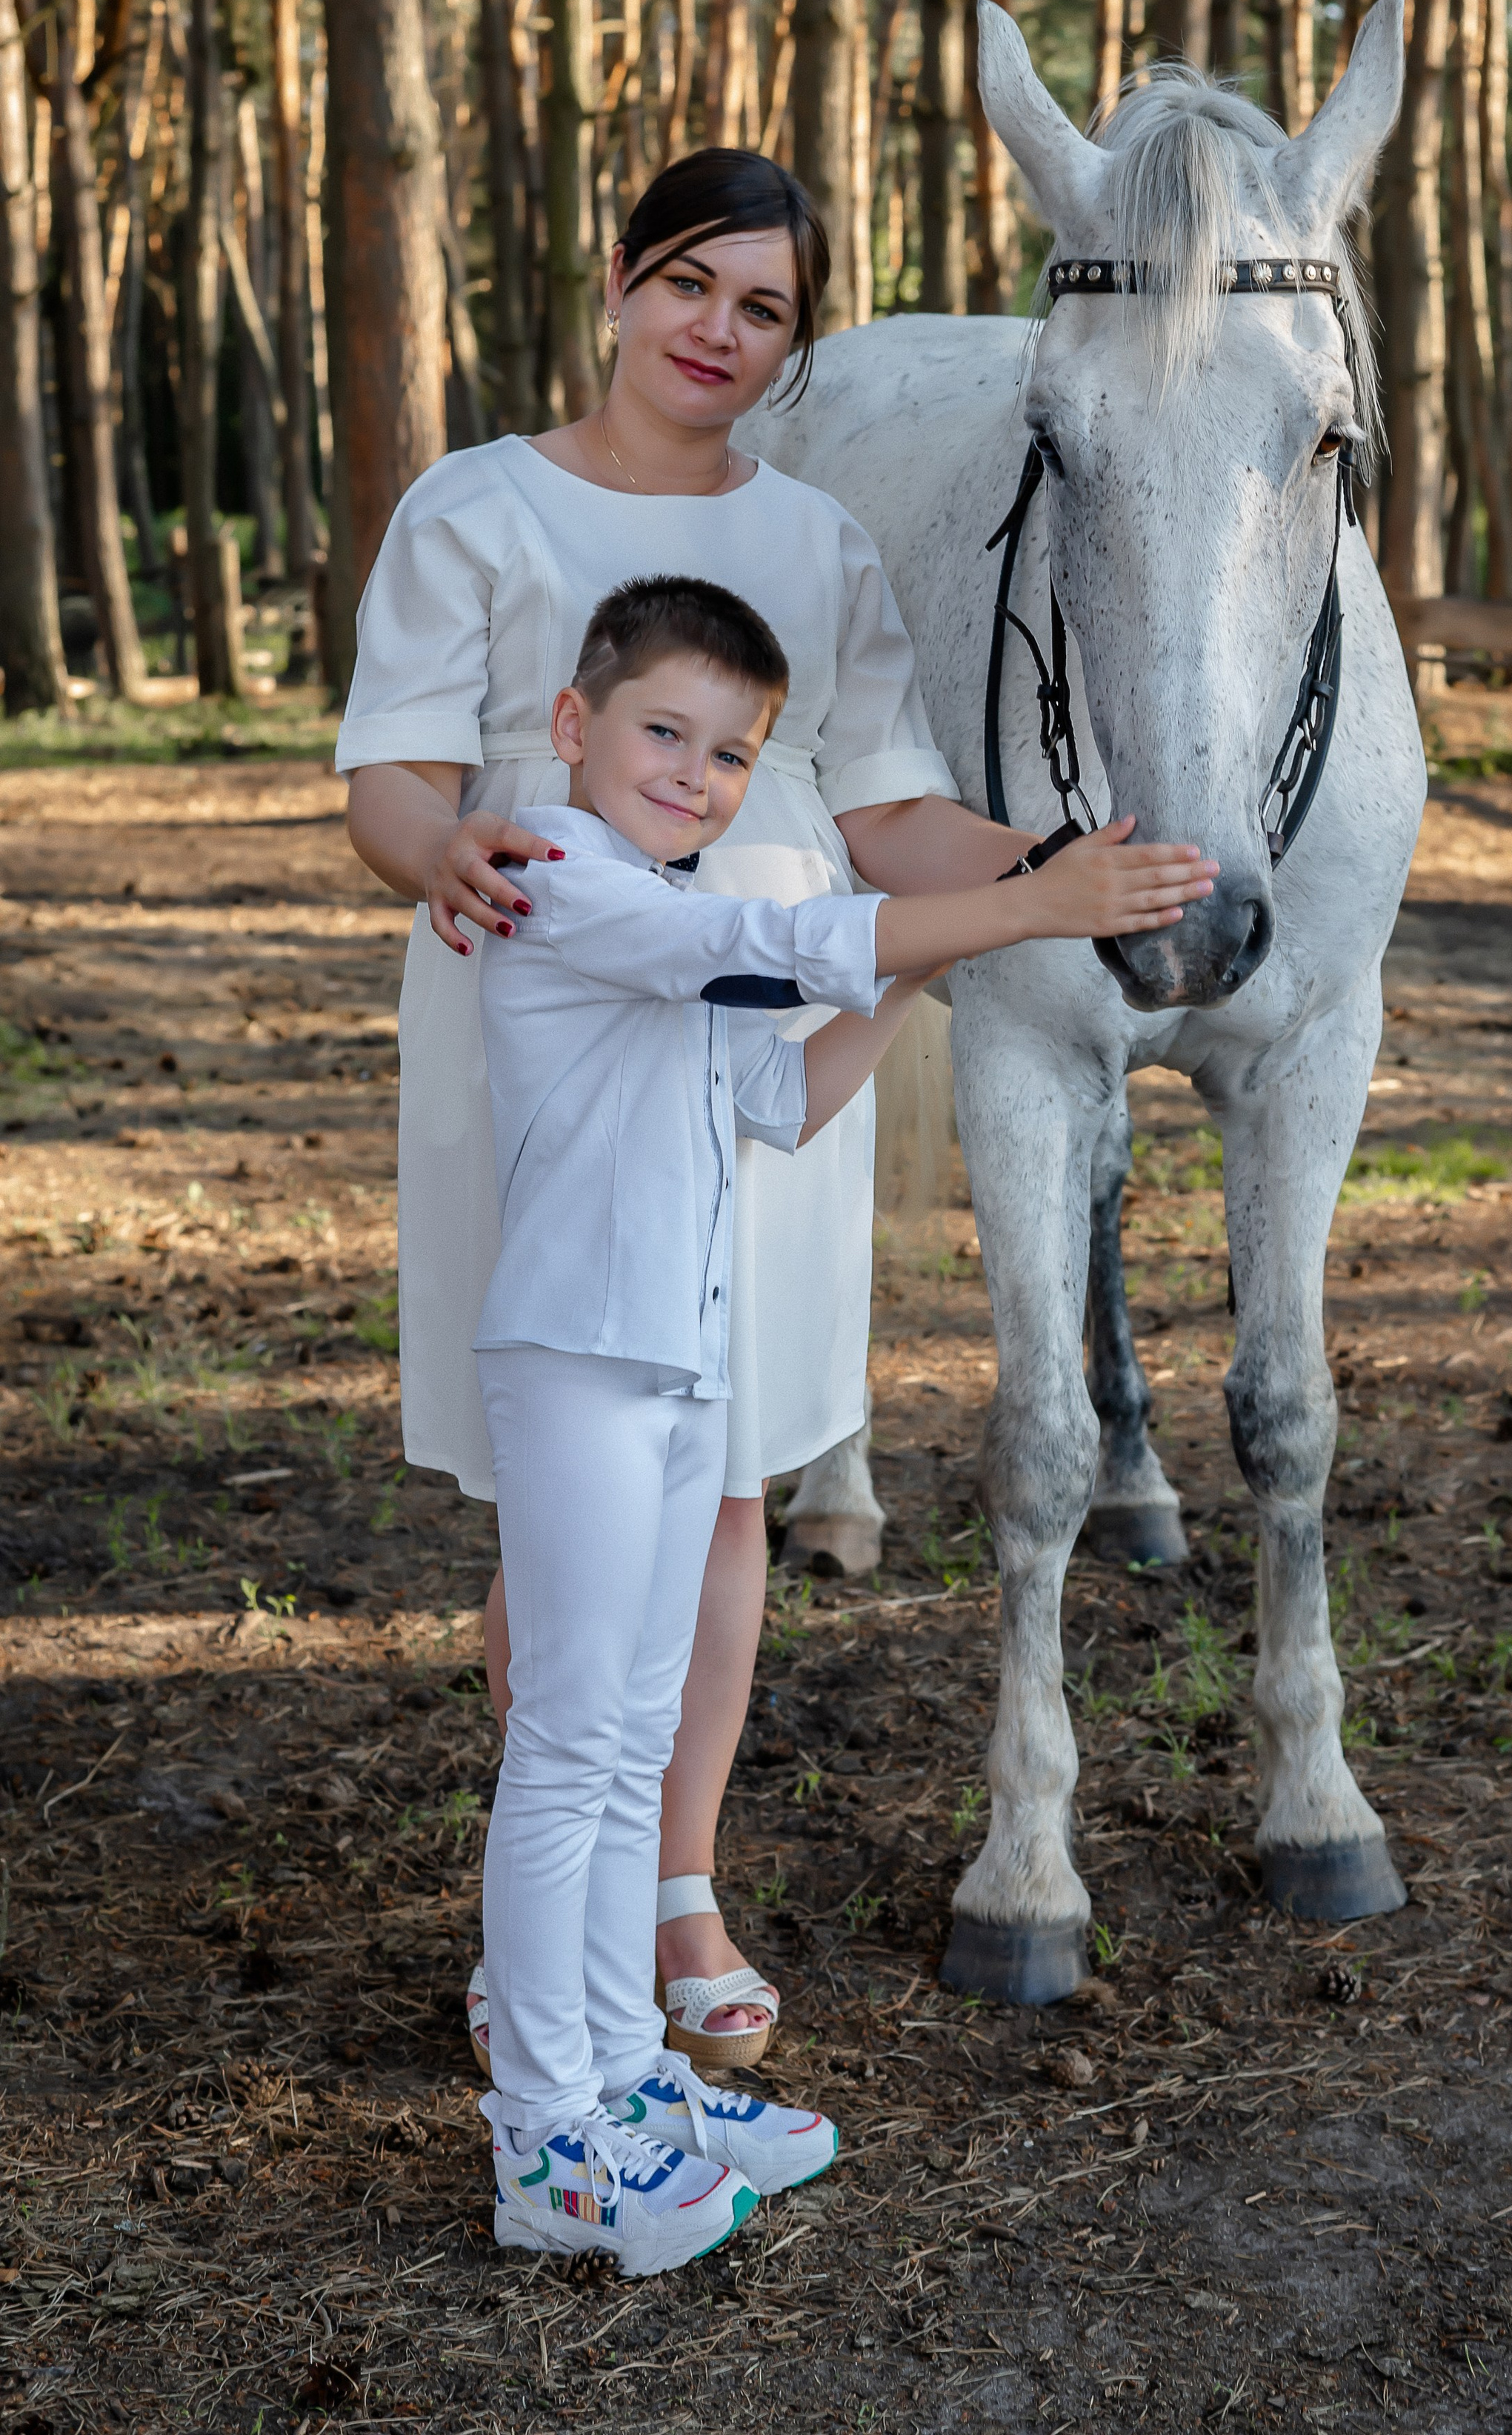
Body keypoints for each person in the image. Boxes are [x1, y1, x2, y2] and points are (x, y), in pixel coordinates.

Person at [340, 150, 1039, 2071]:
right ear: (623, 282)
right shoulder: (475, 506)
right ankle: (550, 1922)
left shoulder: (819, 544)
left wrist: (1056, 861)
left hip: (772, 1002)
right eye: (691, 286)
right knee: (560, 1469)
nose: (718, 334)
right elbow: (391, 771)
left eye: (764, 310)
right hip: (535, 991)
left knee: (721, 1470)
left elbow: (892, 815)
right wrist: (445, 852)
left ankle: (679, 1883)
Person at [474, 571, 1215, 2274]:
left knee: (633, 1729)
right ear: (577, 728)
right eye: (664, 731)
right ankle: (541, 2137)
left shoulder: (652, 913)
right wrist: (1017, 906)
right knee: (572, 1743)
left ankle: (624, 2075)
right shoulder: (563, 875)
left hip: (668, 1367)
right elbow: (761, 939)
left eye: (731, 753)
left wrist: (923, 979)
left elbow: (783, 1092)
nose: (695, 772)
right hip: (579, 1356)